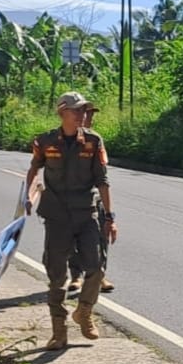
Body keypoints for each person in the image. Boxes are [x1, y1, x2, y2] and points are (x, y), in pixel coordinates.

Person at [25, 91, 118, 350]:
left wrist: (109, 217)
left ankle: (84, 311)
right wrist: (28, 196)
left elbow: (103, 181)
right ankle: (59, 330)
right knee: (56, 275)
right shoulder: (44, 141)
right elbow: (34, 169)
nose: (81, 115)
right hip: (56, 216)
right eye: (76, 110)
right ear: (62, 112)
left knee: (96, 266)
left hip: (86, 212)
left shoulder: (93, 140)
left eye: (84, 110)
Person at [68, 104, 114, 293]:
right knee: (74, 238)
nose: (88, 118)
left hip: (95, 198)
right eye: (84, 114)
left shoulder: (95, 140)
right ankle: (76, 276)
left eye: (89, 114)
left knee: (101, 237)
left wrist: (110, 211)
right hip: (73, 200)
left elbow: (102, 175)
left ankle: (99, 274)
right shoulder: (65, 141)